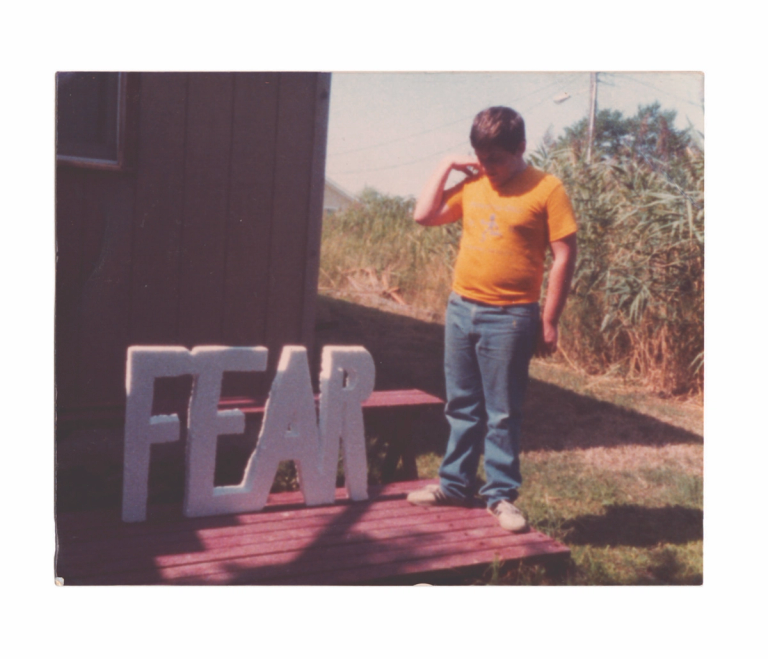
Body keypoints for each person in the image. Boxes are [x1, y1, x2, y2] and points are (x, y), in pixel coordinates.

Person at [406, 106, 578, 533]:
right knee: (461, 405)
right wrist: (446, 165)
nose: (487, 168)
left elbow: (564, 256)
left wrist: (549, 318)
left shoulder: (548, 189)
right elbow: (423, 215)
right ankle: (454, 486)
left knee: (502, 413)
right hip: (462, 308)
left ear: (520, 148)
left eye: (496, 160)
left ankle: (501, 497)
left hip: (512, 316)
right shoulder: (475, 183)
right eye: (480, 159)